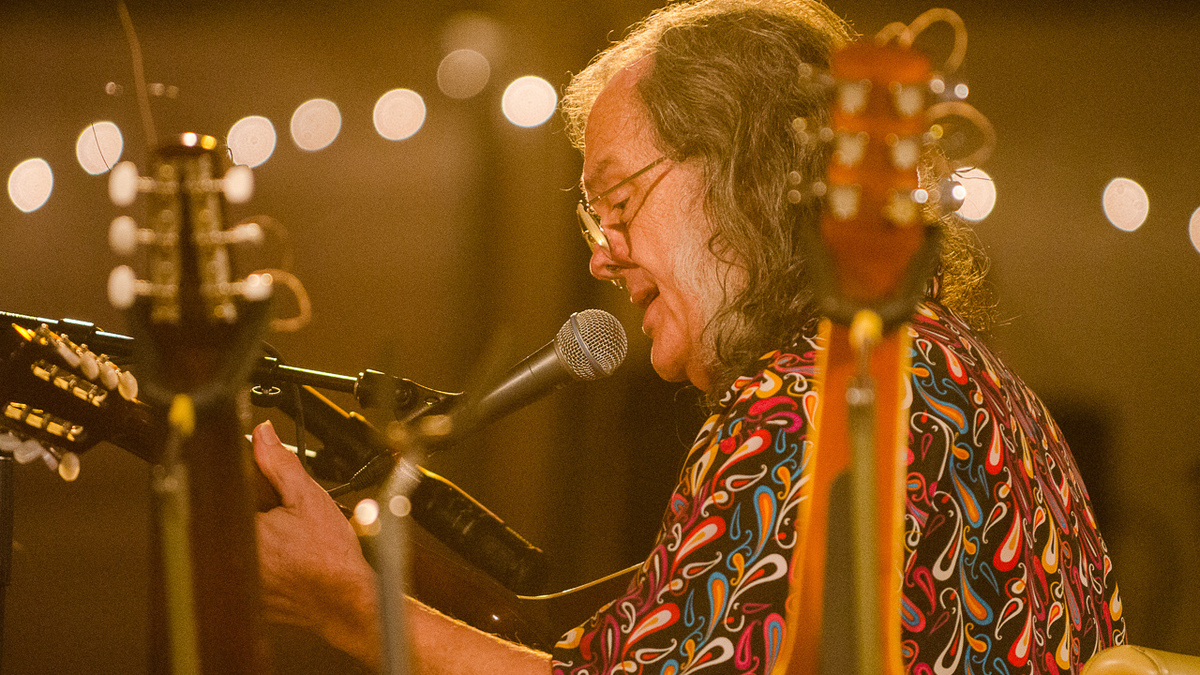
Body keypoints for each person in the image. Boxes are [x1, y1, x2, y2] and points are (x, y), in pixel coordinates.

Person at [254, 0, 1127, 673]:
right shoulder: (954, 370)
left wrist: (349, 605)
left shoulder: (804, 401)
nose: (603, 258)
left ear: (738, 170)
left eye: (619, 204)